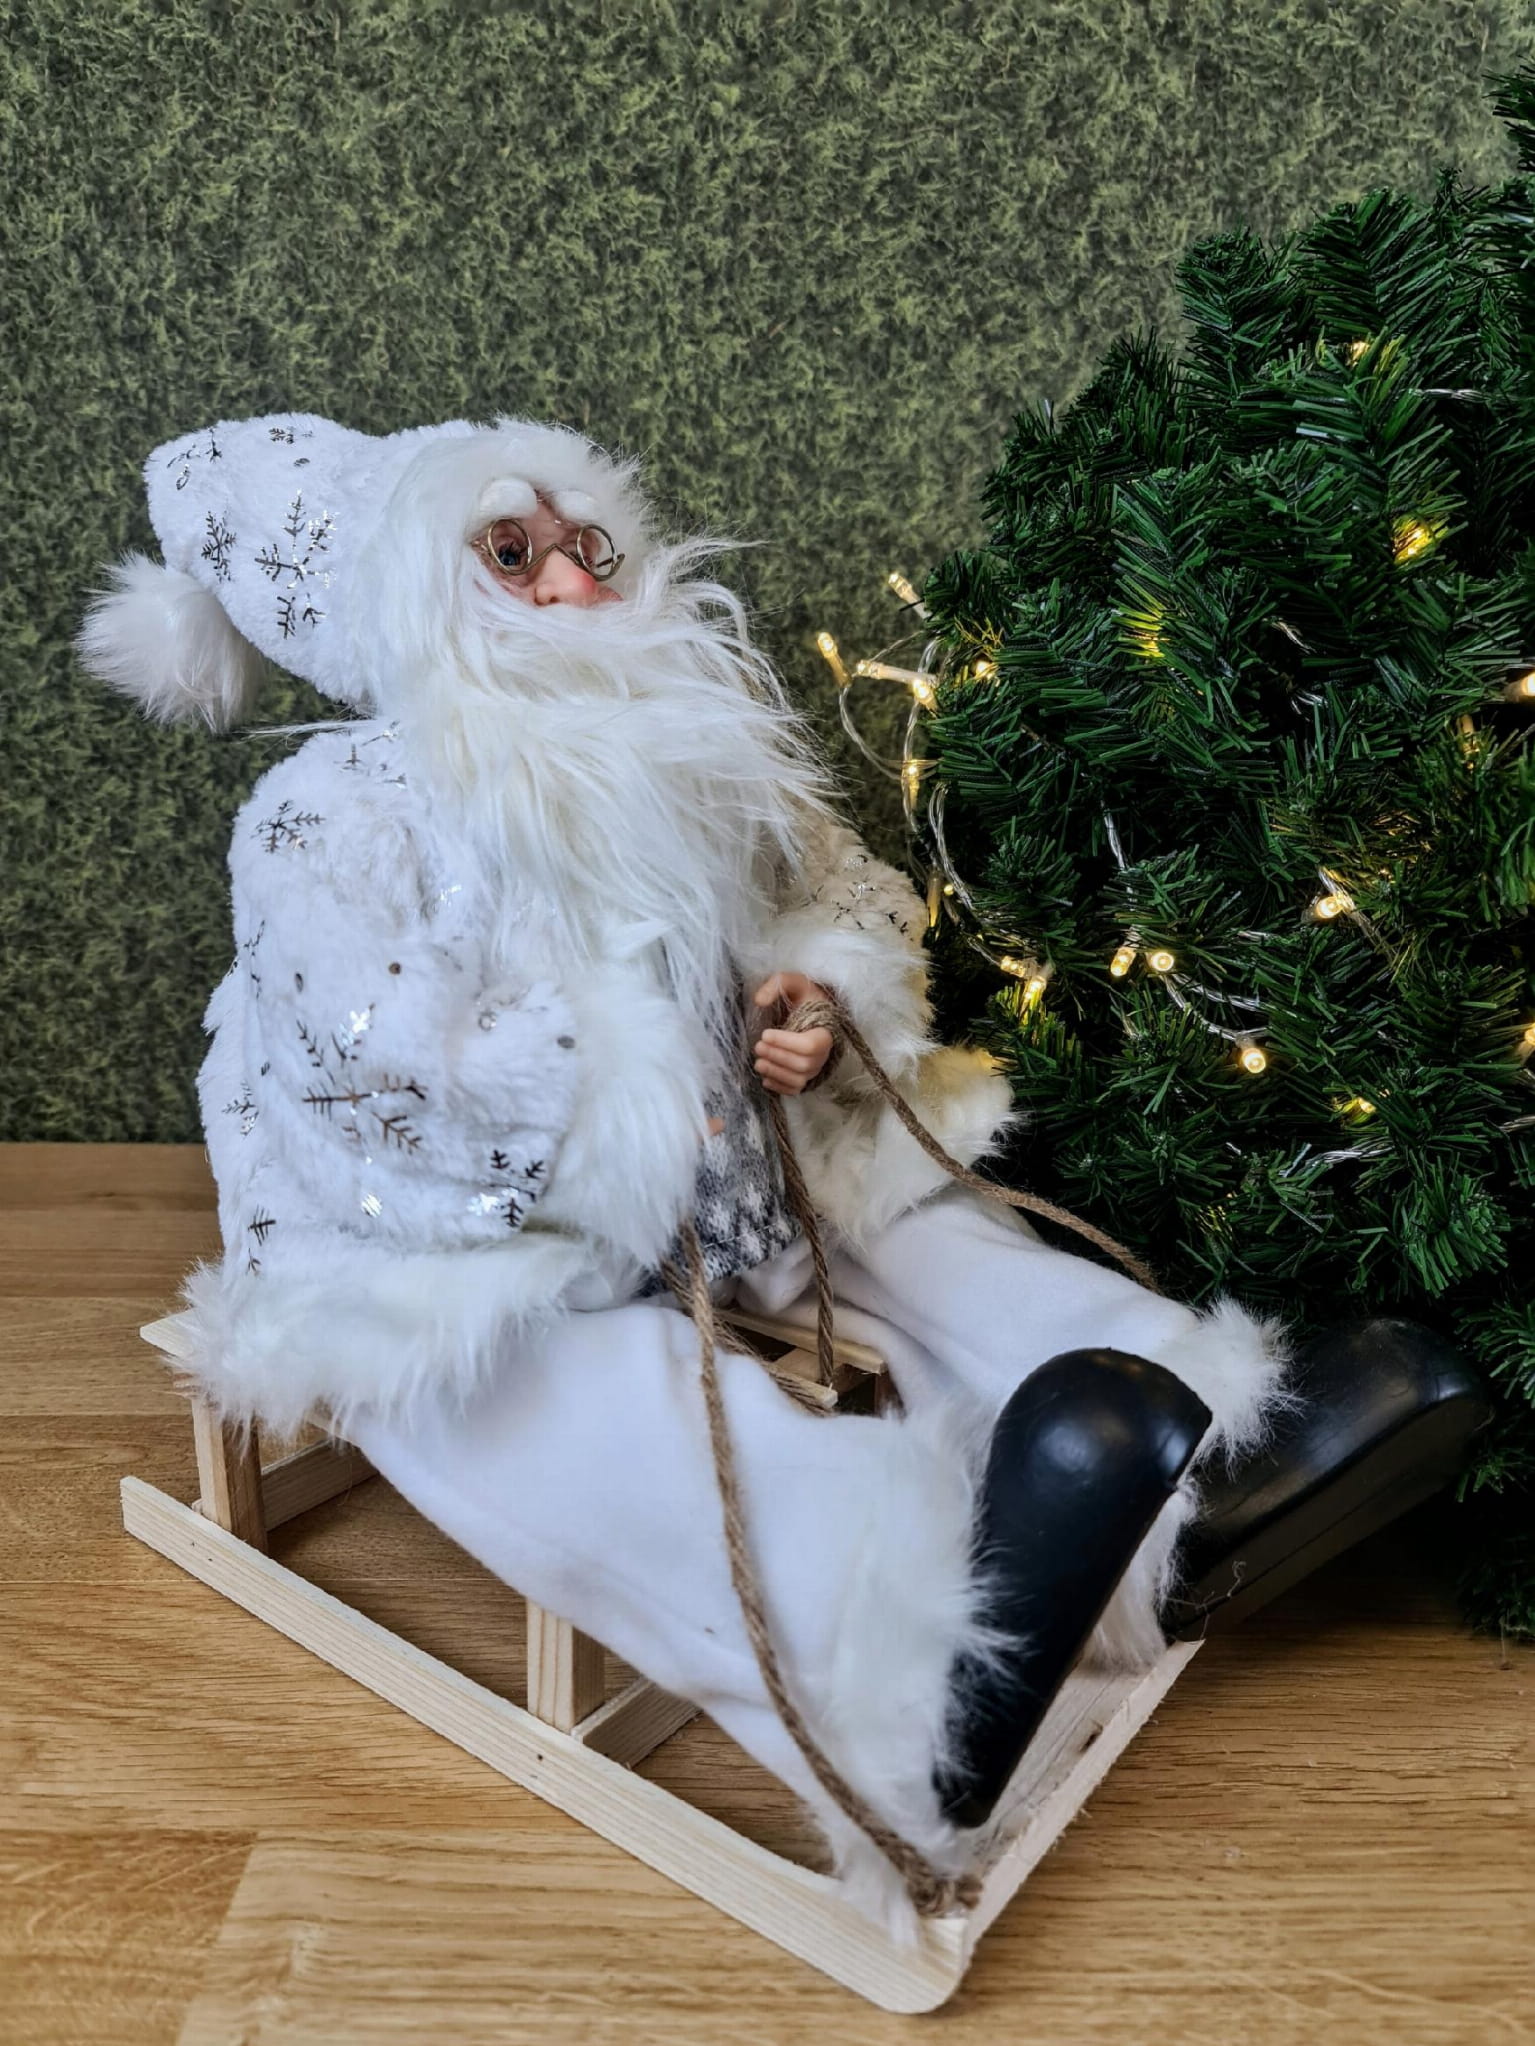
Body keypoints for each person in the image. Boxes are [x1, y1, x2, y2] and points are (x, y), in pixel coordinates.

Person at [78, 412, 1299, 1933]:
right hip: (462, 1232)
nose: (575, 580)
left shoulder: (692, 755)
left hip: (725, 1190)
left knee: (925, 1231)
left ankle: (1198, 1435)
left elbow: (832, 890)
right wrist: (621, 1076)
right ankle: (894, 1662)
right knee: (586, 1406)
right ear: (410, 598)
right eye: (511, 554)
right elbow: (372, 1055)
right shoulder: (336, 810)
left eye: (586, 544)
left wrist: (809, 997)